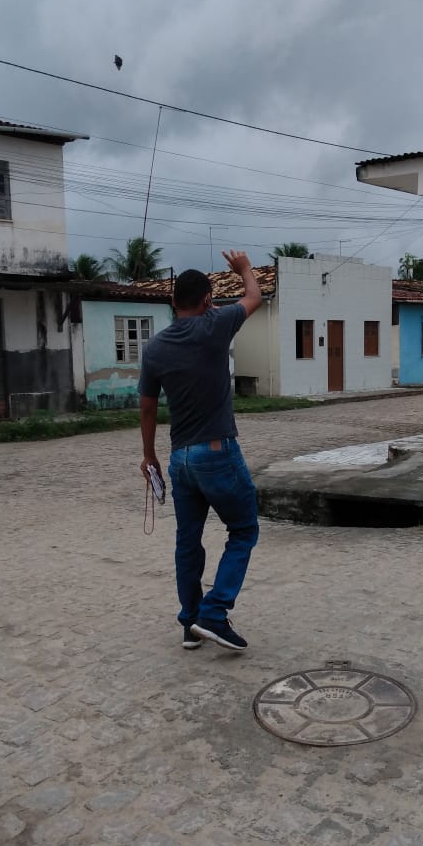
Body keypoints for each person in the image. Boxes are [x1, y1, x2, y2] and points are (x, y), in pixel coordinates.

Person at [138, 250, 262, 651]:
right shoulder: (216, 325)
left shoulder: (155, 348)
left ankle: (190, 621)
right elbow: (254, 297)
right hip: (217, 452)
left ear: (173, 301)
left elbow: (147, 406)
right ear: (208, 300)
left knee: (187, 541)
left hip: (180, 459)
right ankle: (214, 612)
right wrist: (244, 269)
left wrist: (149, 455)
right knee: (243, 529)